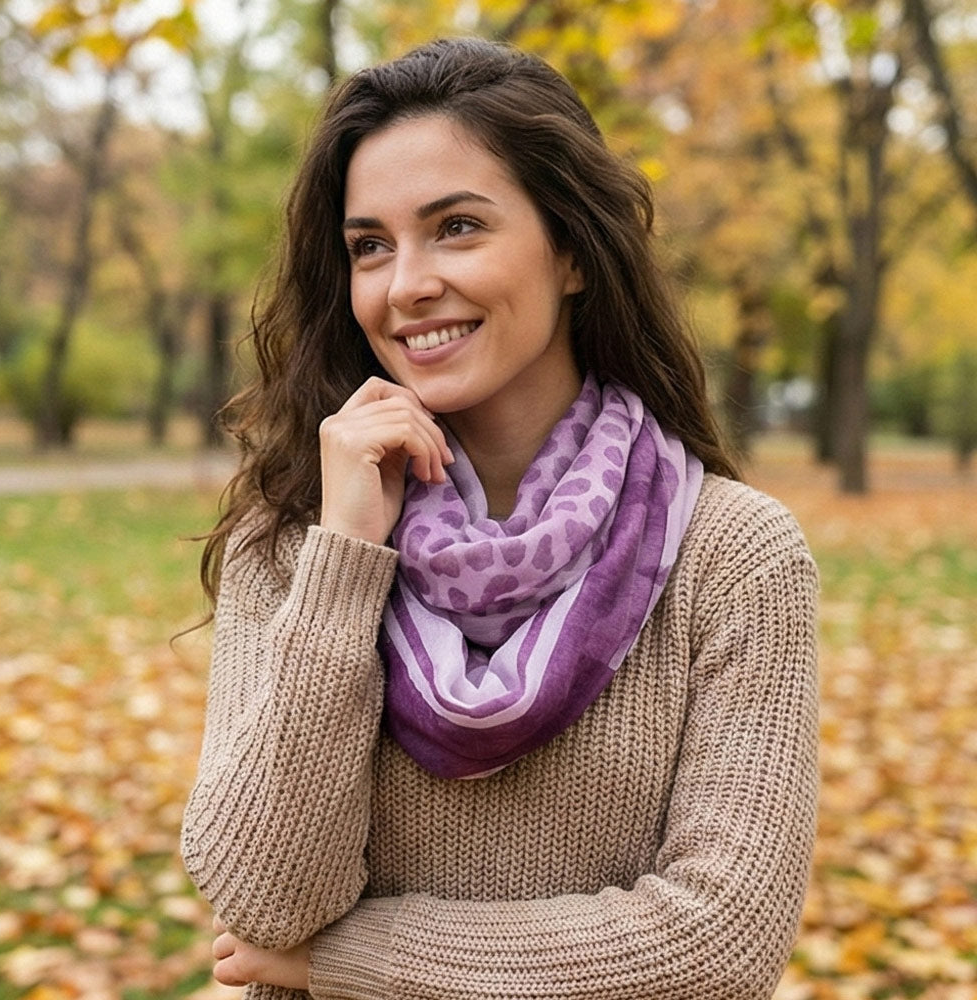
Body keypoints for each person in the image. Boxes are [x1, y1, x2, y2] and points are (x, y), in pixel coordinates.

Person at [180, 36, 819, 1000]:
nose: (406, 285)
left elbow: (716, 948)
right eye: (370, 247)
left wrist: (344, 963)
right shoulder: (300, 543)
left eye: (458, 227)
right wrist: (348, 554)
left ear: (569, 249)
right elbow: (267, 900)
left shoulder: (733, 556)